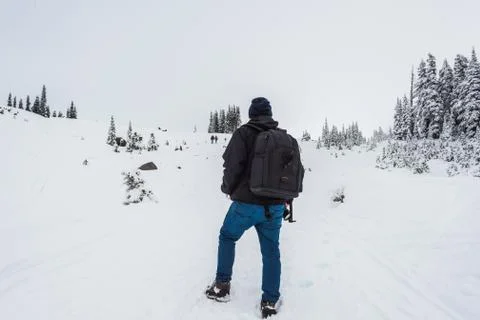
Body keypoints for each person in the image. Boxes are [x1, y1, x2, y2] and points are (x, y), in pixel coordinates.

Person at [205, 97, 286, 318]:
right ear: (269, 114)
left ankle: (222, 286)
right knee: (271, 251)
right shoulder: (283, 138)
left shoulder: (243, 133)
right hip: (275, 207)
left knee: (227, 236)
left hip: (247, 204)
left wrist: (227, 189)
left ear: (251, 113)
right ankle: (269, 300)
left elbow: (232, 166)